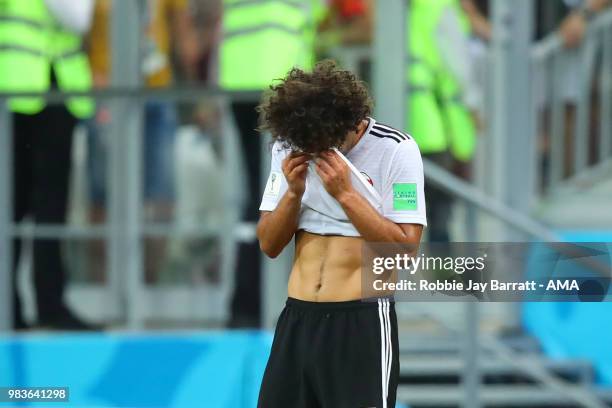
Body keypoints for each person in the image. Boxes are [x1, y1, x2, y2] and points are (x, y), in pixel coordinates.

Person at [256, 61, 427, 408]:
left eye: (325, 143)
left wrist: (346, 194)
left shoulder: (397, 149)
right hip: (297, 319)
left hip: (360, 323)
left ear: (349, 123)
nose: (318, 152)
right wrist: (292, 192)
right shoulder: (290, 145)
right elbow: (269, 244)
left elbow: (405, 250)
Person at [218, 0, 326, 328]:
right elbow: (319, 15)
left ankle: (246, 304)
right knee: (275, 197)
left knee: (261, 196)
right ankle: (256, 305)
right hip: (278, 85)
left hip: (240, 81)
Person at [87, 0, 200, 282]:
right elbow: (78, 25)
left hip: (156, 91)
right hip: (106, 91)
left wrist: (199, 93)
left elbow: (183, 34)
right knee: (102, 192)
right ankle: (106, 287)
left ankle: (148, 286)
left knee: (160, 192)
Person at [0, 0, 97, 329]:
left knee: (44, 205)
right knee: (16, 204)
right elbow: (77, 16)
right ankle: (21, 306)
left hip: (52, 88)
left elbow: (79, 18)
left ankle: (45, 303)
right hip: (18, 88)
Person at [406, 0, 480, 242]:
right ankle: (443, 278)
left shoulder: (409, 9)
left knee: (406, 212)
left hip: (407, 128)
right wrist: (474, 106)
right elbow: (459, 65)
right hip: (435, 129)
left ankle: (411, 276)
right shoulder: (439, 7)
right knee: (438, 216)